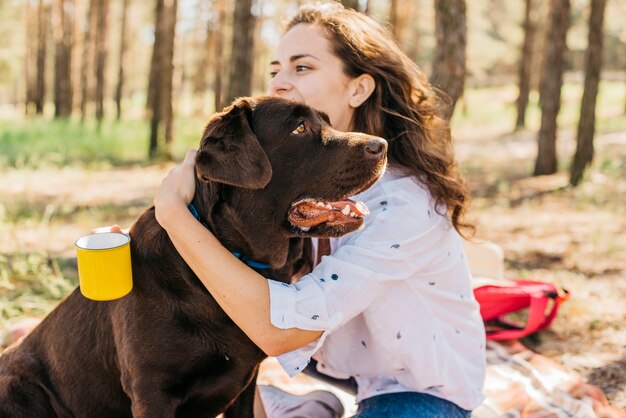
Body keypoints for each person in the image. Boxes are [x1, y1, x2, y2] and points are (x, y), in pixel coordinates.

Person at [153, 2, 486, 417]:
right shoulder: (297, 180)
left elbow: (279, 330)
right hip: (335, 367)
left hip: (419, 387)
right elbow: (231, 297)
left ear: (358, 89)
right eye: (275, 69)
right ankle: (305, 407)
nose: (278, 84)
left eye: (302, 68)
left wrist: (172, 215)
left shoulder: (406, 204)